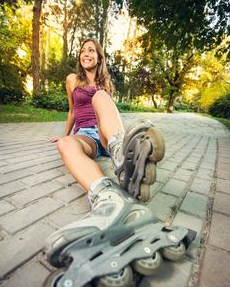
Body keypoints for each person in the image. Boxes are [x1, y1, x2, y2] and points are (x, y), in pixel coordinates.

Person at [50, 38, 165, 204]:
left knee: (101, 96)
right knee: (65, 144)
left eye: (90, 50)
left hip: (107, 134)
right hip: (87, 135)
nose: (85, 54)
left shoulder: (106, 84)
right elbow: (72, 111)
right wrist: (64, 135)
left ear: (99, 57)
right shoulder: (72, 79)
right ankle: (108, 197)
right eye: (82, 51)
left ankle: (122, 157)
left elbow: (108, 112)